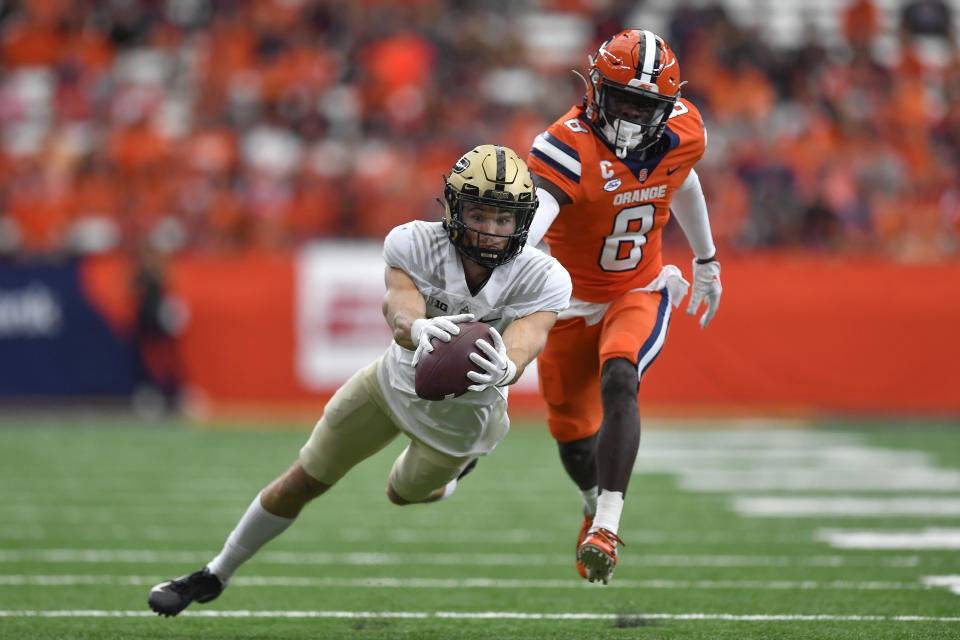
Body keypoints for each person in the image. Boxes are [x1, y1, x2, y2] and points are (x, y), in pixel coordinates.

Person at [147, 144, 572, 616]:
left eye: (503, 219)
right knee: (302, 480)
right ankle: (215, 572)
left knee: (400, 494)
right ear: (454, 208)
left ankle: (450, 480)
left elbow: (530, 335)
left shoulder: (543, 274)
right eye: (479, 213)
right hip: (389, 386)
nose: (490, 230)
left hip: (461, 420)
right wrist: (417, 328)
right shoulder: (413, 242)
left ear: (523, 222)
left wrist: (508, 366)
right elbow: (398, 305)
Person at [525, 29, 723, 584]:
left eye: (646, 105)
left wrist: (705, 258)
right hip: (567, 303)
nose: (634, 117)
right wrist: (506, 271)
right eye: (624, 100)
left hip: (638, 287)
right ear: (595, 90)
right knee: (570, 434)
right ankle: (592, 502)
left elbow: (680, 179)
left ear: (667, 106)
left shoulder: (683, 129)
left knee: (620, 375)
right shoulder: (567, 143)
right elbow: (535, 221)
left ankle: (607, 526)